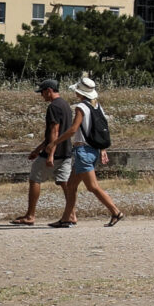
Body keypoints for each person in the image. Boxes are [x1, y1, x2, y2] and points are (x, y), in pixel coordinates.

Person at [54, 74, 125, 229]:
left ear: (80, 92)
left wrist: (55, 142)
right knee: (71, 186)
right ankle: (66, 218)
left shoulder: (81, 107)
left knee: (92, 186)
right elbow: (101, 130)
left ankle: (115, 211)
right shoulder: (97, 106)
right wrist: (102, 149)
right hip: (92, 150)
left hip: (83, 150)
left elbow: (73, 129)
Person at [11, 77, 79, 225]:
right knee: (64, 182)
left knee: (35, 178)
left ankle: (30, 215)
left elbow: (54, 132)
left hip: (54, 151)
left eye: (42, 92)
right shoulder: (66, 105)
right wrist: (37, 149)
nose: (41, 95)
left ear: (49, 91)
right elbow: (60, 132)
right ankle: (71, 214)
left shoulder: (53, 107)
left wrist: (50, 155)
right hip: (66, 150)